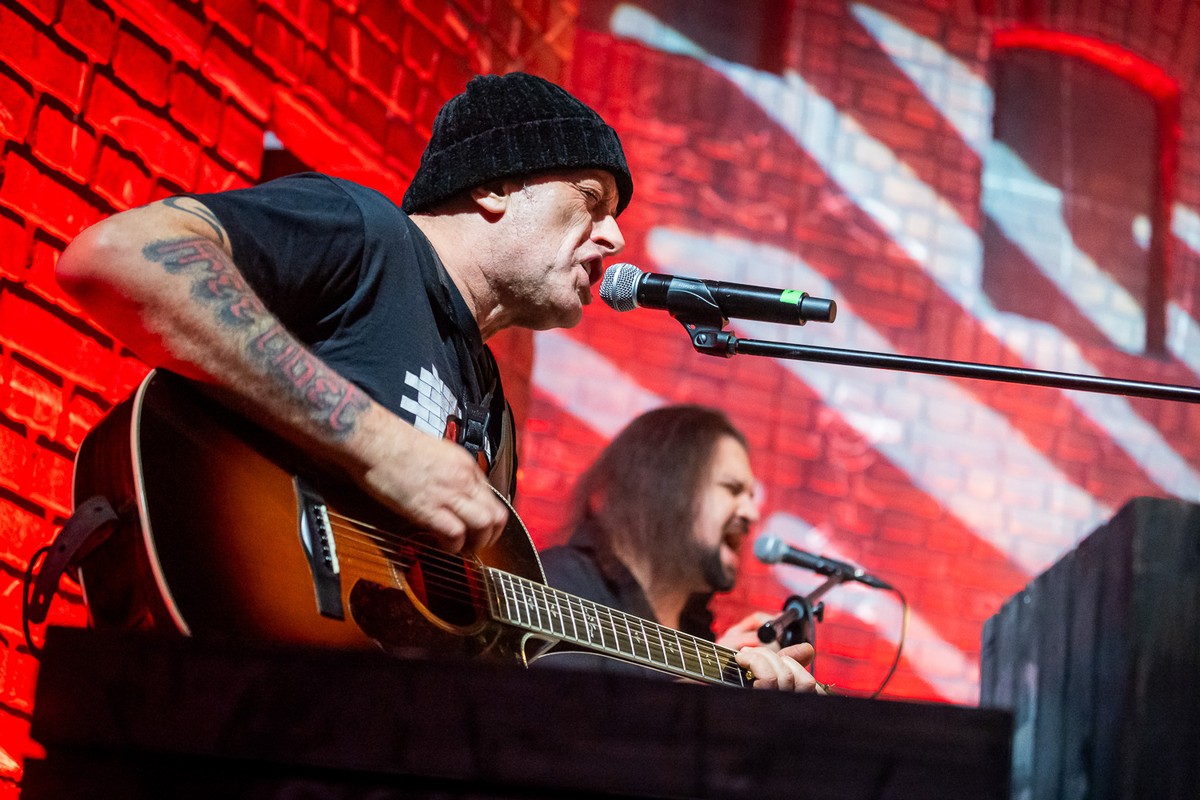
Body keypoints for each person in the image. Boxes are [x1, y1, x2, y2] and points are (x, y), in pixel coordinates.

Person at [56, 71, 815, 691]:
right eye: (592, 201)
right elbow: (113, 257)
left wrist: (702, 670)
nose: (615, 237)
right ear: (495, 187)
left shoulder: (492, 410)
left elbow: (476, 661)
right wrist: (378, 444)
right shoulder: (368, 236)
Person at [538, 405, 824, 693]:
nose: (752, 513)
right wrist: (708, 679)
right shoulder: (557, 581)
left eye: (751, 496)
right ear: (663, 487)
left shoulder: (698, 632)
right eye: (732, 489)